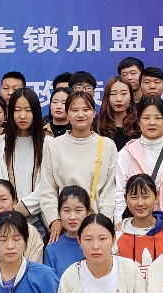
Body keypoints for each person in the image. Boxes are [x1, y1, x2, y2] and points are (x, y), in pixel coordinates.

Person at [36, 91, 118, 236]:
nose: (80, 114)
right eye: (74, 110)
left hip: (97, 226)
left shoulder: (107, 145)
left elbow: (109, 192)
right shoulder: (54, 145)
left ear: (94, 113)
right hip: (65, 227)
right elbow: (48, 189)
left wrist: (103, 223)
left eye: (86, 109)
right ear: (67, 114)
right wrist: (54, 219)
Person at [0, 87, 49, 230]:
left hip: (39, 221)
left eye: (28, 110)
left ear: (36, 112)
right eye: (17, 110)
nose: (22, 116)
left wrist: (18, 210)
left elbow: (47, 186)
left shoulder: (48, 144)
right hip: (3, 219)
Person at [114, 97, 163, 217]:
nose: (152, 123)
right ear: (138, 121)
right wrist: (120, 221)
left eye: (158, 118)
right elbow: (120, 193)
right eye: (146, 118)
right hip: (134, 222)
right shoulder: (126, 153)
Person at [115, 173, 163, 275]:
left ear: (156, 197)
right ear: (125, 199)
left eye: (145, 197)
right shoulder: (117, 236)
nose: (140, 203)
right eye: (134, 197)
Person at [43, 186, 91, 276]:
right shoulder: (52, 249)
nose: (72, 217)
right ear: (59, 213)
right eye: (66, 211)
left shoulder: (96, 244)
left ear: (88, 213)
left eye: (78, 210)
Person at [96, 76, 138, 150]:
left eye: (124, 94)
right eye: (113, 94)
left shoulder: (139, 127)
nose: (119, 99)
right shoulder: (98, 128)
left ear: (131, 97)